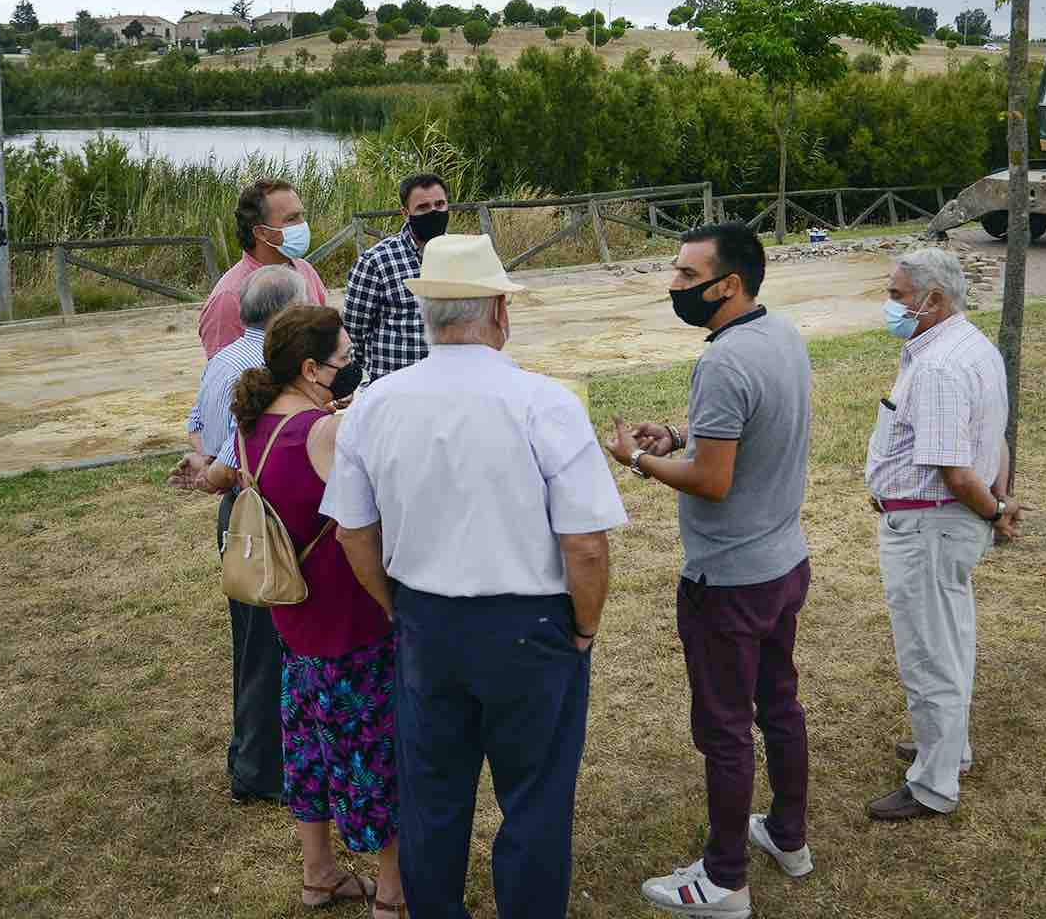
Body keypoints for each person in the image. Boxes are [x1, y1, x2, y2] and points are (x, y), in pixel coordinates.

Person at [329, 235, 625, 919]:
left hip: (427, 621)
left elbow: (352, 530)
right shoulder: (543, 402)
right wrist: (583, 627)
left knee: (431, 792)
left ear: (427, 313)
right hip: (531, 626)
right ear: (499, 310)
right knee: (536, 795)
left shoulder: (375, 404)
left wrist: (395, 606)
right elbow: (583, 542)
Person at [605, 222, 815, 917]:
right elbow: (741, 431)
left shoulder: (722, 362)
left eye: (685, 276)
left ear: (728, 284)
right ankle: (787, 835)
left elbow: (712, 482)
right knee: (778, 704)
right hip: (783, 562)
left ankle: (723, 879)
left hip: (728, 581)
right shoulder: (778, 336)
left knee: (724, 727)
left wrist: (637, 460)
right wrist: (680, 435)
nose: (672, 285)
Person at [212, 304, 405, 915]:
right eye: (346, 360)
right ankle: (394, 895)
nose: (353, 369)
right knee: (375, 756)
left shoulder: (253, 425)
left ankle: (319, 874)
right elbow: (360, 521)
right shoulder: (323, 432)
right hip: (349, 619)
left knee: (308, 750)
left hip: (294, 618)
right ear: (311, 368)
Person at [862, 247, 1026, 823]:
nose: (889, 305)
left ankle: (933, 783)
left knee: (930, 653)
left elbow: (954, 470)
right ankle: (948, 747)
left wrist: (993, 506)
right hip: (942, 523)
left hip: (928, 526)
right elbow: (996, 436)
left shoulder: (936, 368)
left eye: (896, 295)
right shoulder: (974, 347)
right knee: (950, 642)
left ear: (932, 300)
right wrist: (998, 500)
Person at [169, 265, 309, 804]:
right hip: (263, 513)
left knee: (252, 642)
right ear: (287, 314)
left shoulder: (223, 359)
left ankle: (250, 756)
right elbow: (237, 455)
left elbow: (201, 431)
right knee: (274, 646)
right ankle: (260, 771)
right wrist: (213, 471)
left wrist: (203, 467)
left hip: (237, 513)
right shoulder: (270, 368)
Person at [198, 178, 328, 360]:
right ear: (260, 232)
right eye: (291, 219)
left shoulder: (304, 269)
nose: (302, 225)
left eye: (301, 215)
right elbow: (228, 371)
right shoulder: (229, 297)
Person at [341, 172, 450, 384]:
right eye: (423, 207)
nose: (433, 212)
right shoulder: (375, 262)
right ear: (405, 212)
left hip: (448, 381)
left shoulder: (461, 254)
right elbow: (354, 330)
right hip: (394, 384)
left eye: (440, 204)